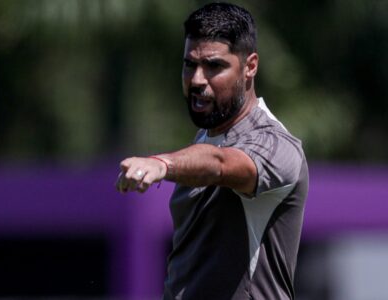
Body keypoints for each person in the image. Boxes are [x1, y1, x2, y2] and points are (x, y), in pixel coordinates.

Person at [116, 2, 309, 299]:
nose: (197, 80)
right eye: (189, 64)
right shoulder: (205, 137)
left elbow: (220, 164)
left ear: (250, 66)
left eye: (214, 66)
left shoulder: (276, 145)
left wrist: (162, 164)